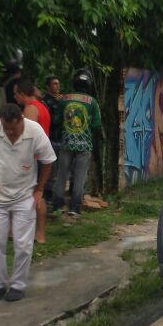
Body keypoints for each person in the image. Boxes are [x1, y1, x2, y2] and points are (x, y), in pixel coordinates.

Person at [0, 104, 56, 302]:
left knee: (23, 244)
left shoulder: (34, 131)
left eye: (13, 128)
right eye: (6, 128)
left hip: (24, 195)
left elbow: (48, 160)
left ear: (21, 120)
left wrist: (39, 189)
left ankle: (18, 285)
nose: (10, 132)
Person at [54, 68, 102, 217]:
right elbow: (96, 125)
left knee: (62, 175)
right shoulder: (92, 102)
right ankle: (74, 208)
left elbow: (56, 120)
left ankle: (57, 206)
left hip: (66, 143)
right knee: (80, 177)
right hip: (84, 145)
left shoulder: (64, 99)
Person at [14, 77, 52, 243]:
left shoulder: (30, 109)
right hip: (42, 155)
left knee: (35, 194)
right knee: (37, 194)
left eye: (16, 94)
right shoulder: (42, 107)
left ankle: (37, 233)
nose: (15, 97)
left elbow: (26, 136)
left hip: (33, 158)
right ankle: (37, 233)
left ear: (23, 94)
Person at [40, 75, 65, 204]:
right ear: (48, 86)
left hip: (61, 138)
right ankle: (47, 195)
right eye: (54, 84)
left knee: (60, 169)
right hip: (49, 138)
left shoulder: (61, 100)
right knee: (50, 168)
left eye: (58, 83)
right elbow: (51, 119)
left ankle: (57, 196)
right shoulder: (45, 101)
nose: (57, 86)